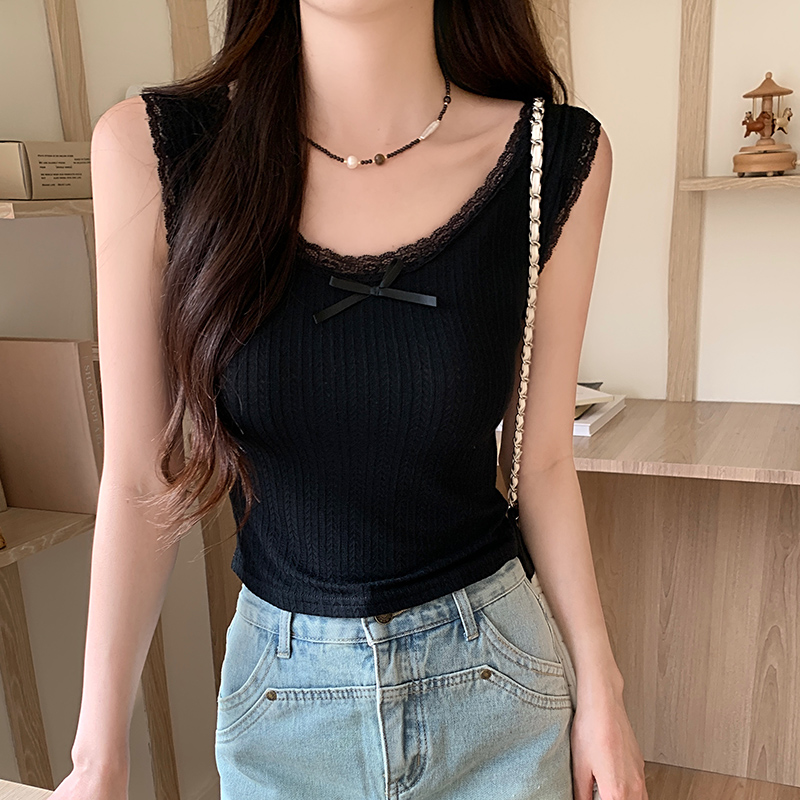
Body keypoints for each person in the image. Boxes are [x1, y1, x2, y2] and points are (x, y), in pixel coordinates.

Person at [54, 0, 647, 798]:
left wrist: (601, 689)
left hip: (497, 687)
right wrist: (97, 757)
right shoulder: (152, 150)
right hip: (283, 708)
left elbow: (540, 464)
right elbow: (139, 476)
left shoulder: (554, 156)